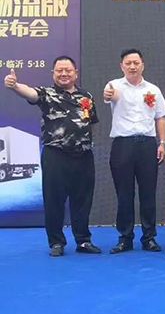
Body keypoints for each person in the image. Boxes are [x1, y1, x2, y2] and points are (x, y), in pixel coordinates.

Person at [4, 57, 101, 257]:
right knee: (54, 200)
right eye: (59, 70)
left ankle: (83, 241)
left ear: (76, 73)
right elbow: (30, 93)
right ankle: (57, 242)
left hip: (83, 155)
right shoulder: (46, 94)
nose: (64, 74)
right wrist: (15, 86)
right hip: (55, 155)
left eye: (68, 70)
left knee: (83, 200)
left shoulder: (87, 96)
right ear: (53, 73)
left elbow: (90, 123)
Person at [103, 48, 165, 254]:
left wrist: (162, 143)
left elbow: (160, 118)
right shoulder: (113, 85)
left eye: (136, 63)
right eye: (128, 63)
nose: (132, 66)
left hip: (147, 144)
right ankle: (125, 238)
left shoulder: (153, 89)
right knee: (124, 194)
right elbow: (108, 96)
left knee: (148, 193)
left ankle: (149, 238)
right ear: (122, 66)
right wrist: (108, 95)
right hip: (122, 144)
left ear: (142, 65)